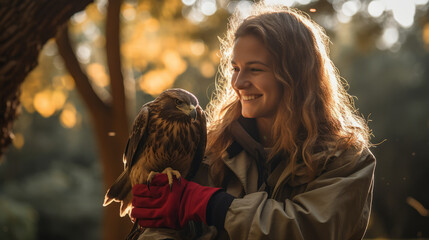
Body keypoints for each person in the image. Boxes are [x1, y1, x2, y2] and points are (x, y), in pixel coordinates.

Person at [130, 3, 376, 240]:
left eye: (255, 70)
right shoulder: (212, 148)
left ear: (294, 76)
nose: (238, 83)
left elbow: (309, 230)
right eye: (235, 68)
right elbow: (162, 226)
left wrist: (215, 206)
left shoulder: (347, 160)